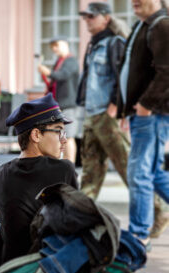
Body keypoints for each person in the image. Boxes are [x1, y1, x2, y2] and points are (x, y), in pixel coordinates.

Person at [0, 93, 79, 273]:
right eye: (58, 131)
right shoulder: (65, 169)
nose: (64, 140)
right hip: (52, 270)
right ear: (36, 134)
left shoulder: (2, 172)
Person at [117, 0, 169, 245]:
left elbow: (167, 71)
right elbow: (130, 70)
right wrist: (125, 111)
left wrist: (146, 105)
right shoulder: (144, 25)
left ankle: (138, 236)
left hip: (153, 114)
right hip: (143, 114)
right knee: (154, 174)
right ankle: (139, 232)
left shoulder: (162, 24)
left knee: (138, 174)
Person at [76, 2, 130, 200]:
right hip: (92, 114)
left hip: (107, 116)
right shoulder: (93, 45)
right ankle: (81, 218)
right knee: (90, 172)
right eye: (86, 17)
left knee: (126, 166)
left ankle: (160, 210)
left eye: (92, 16)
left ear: (106, 18)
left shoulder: (115, 43)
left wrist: (114, 107)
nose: (87, 20)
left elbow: (123, 77)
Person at [38, 37, 82, 163]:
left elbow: (62, 75)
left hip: (68, 105)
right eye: (53, 47)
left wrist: (48, 72)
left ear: (66, 45)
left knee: (68, 136)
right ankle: (62, 164)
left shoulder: (71, 61)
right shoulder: (60, 61)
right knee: (59, 136)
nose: (54, 49)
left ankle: (70, 165)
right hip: (58, 104)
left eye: (57, 45)